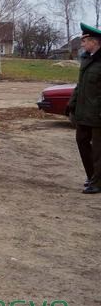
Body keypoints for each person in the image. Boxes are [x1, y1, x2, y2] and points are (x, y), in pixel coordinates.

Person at [70, 23, 101, 194]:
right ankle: (92, 176)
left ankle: (98, 182)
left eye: (84, 41)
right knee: (81, 141)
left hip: (97, 114)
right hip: (84, 111)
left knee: (98, 150)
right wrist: (72, 103)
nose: (82, 44)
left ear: (94, 42)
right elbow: (80, 85)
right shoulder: (87, 59)